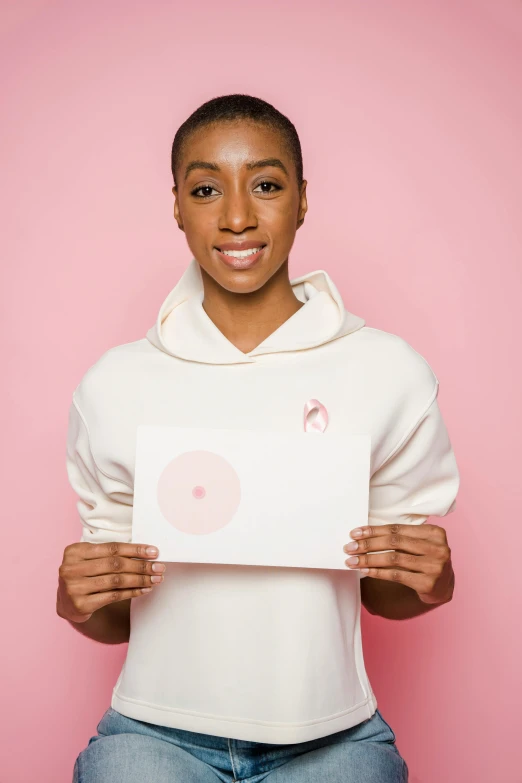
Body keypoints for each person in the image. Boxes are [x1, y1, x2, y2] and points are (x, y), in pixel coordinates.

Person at [57, 94, 460, 783]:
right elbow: (115, 615)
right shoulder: (114, 384)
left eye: (266, 185)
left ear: (302, 200)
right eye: (207, 189)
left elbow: (383, 592)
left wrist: (433, 578)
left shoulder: (387, 370)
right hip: (154, 734)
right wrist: (79, 600)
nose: (237, 216)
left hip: (334, 736)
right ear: (177, 206)